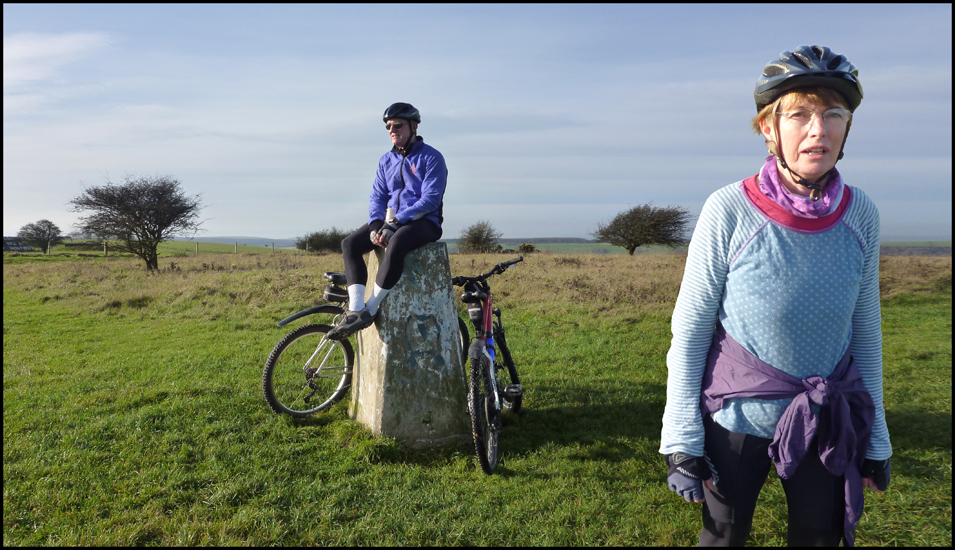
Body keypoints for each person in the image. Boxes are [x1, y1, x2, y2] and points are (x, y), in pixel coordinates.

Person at [659, 46, 892, 547]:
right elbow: (692, 327)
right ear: (769, 128)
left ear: (847, 127)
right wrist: (681, 437)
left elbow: (865, 329)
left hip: (824, 421)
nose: (818, 129)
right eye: (800, 114)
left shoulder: (861, 214)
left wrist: (877, 437)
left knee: (817, 538)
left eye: (834, 114)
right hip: (736, 424)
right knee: (723, 537)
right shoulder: (728, 209)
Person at [326, 102, 448, 341]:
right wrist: (375, 225)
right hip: (389, 221)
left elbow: (430, 199)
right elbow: (378, 196)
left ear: (414, 127)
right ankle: (355, 310)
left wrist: (396, 223)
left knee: (398, 242)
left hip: (425, 222)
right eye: (389, 126)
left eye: (398, 125)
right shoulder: (385, 160)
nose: (393, 130)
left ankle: (370, 309)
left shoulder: (432, 157)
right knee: (349, 244)